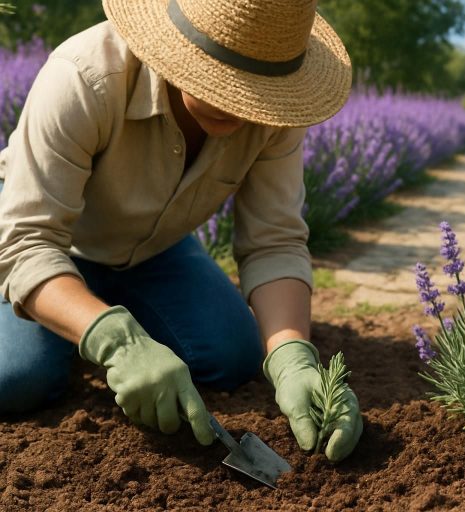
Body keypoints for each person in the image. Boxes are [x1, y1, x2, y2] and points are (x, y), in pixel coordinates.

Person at [0, 0, 362, 462]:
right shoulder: (85, 76)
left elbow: (274, 241)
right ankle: (74, 314)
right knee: (18, 377)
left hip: (153, 250)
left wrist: (293, 356)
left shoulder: (274, 110)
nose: (238, 106)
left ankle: (88, 310)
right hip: (42, 237)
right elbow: (27, 242)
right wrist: (119, 342)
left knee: (233, 355)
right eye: (222, 80)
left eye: (256, 91)